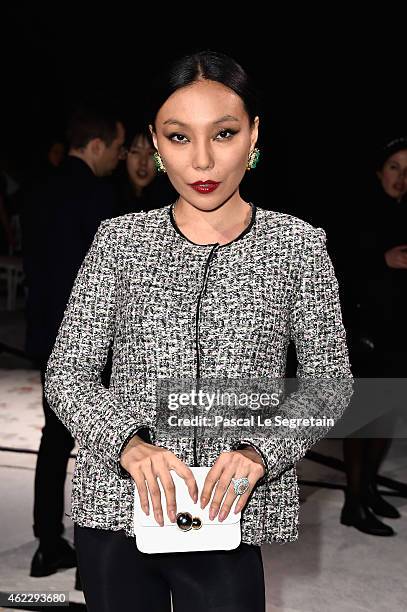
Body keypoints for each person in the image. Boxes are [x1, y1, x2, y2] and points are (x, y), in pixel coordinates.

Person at [44, 51, 352, 612]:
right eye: (179, 137)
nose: (203, 160)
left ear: (254, 134)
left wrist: (262, 450)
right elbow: (67, 373)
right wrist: (127, 446)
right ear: (155, 144)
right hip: (117, 509)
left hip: (229, 515)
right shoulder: (119, 242)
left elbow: (328, 382)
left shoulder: (298, 247)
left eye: (225, 133)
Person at [21, 106, 125, 583]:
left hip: (45, 333)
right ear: (98, 145)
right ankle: (94, 560)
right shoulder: (97, 196)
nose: (121, 158)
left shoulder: (38, 189)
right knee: (101, 448)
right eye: (119, 149)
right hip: (88, 342)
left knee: (54, 440)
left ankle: (47, 542)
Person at [340, 136, 407, 536]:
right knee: (363, 419)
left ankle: (367, 490)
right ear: (380, 172)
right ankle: (352, 501)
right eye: (395, 167)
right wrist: (383, 260)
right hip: (367, 332)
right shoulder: (360, 214)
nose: (402, 177)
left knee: (388, 416)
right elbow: (339, 269)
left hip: (399, 332)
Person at [115, 123, 177, 215]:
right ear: (123, 154)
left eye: (151, 153)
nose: (143, 162)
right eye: (135, 152)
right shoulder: (108, 198)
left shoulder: (172, 202)